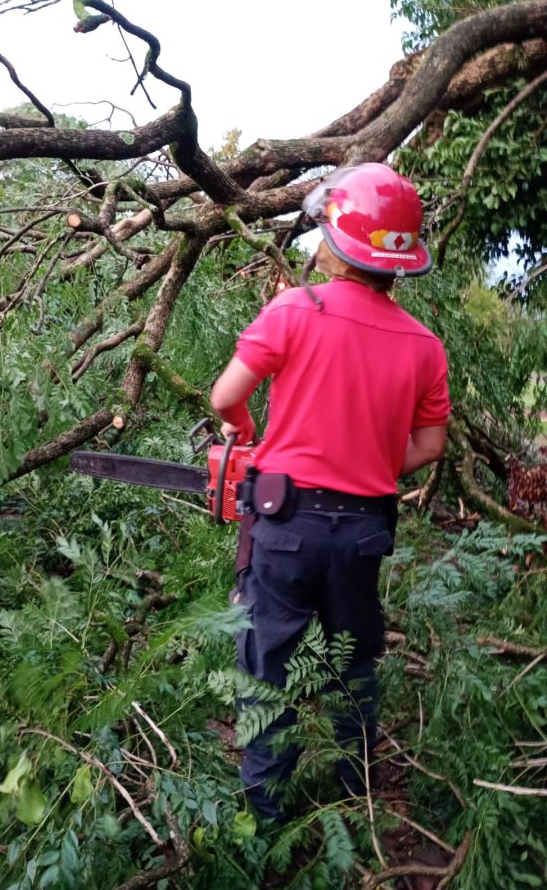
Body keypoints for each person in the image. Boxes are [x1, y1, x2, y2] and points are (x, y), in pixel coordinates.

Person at [210, 162, 450, 822]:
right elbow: (429, 447)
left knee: (267, 670)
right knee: (353, 661)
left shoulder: (294, 308)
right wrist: (373, 458)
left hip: (283, 526)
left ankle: (267, 817)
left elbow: (225, 397)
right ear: (399, 259)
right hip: (364, 532)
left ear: (335, 241)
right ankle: (356, 793)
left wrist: (247, 429)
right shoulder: (424, 346)